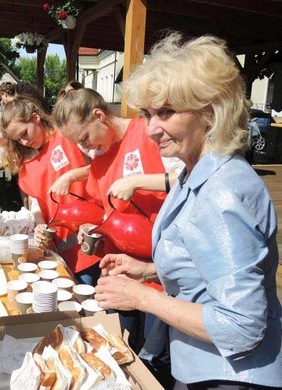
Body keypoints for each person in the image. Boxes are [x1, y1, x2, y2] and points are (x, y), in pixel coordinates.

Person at [95, 33, 282, 389]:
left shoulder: (223, 191)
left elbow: (241, 325)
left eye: (165, 112)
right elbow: (211, 268)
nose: (151, 129)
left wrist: (142, 297)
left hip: (231, 377)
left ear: (209, 112)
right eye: (149, 114)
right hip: (204, 365)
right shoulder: (196, 170)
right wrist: (148, 270)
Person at [53, 81, 175, 350]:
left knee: (157, 354)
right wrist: (89, 227)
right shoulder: (98, 160)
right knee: (123, 345)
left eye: (84, 138)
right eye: (77, 144)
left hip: (162, 268)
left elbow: (188, 178)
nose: (85, 148)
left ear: (99, 115)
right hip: (122, 270)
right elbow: (102, 212)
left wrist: (138, 181)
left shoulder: (146, 131)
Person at [0, 96, 95, 280]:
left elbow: (103, 168)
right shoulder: (26, 166)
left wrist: (73, 175)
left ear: (36, 118)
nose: (24, 142)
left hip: (91, 240)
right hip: (62, 249)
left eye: (25, 133)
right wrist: (41, 227)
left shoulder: (67, 137)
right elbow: (36, 206)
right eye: (18, 140)